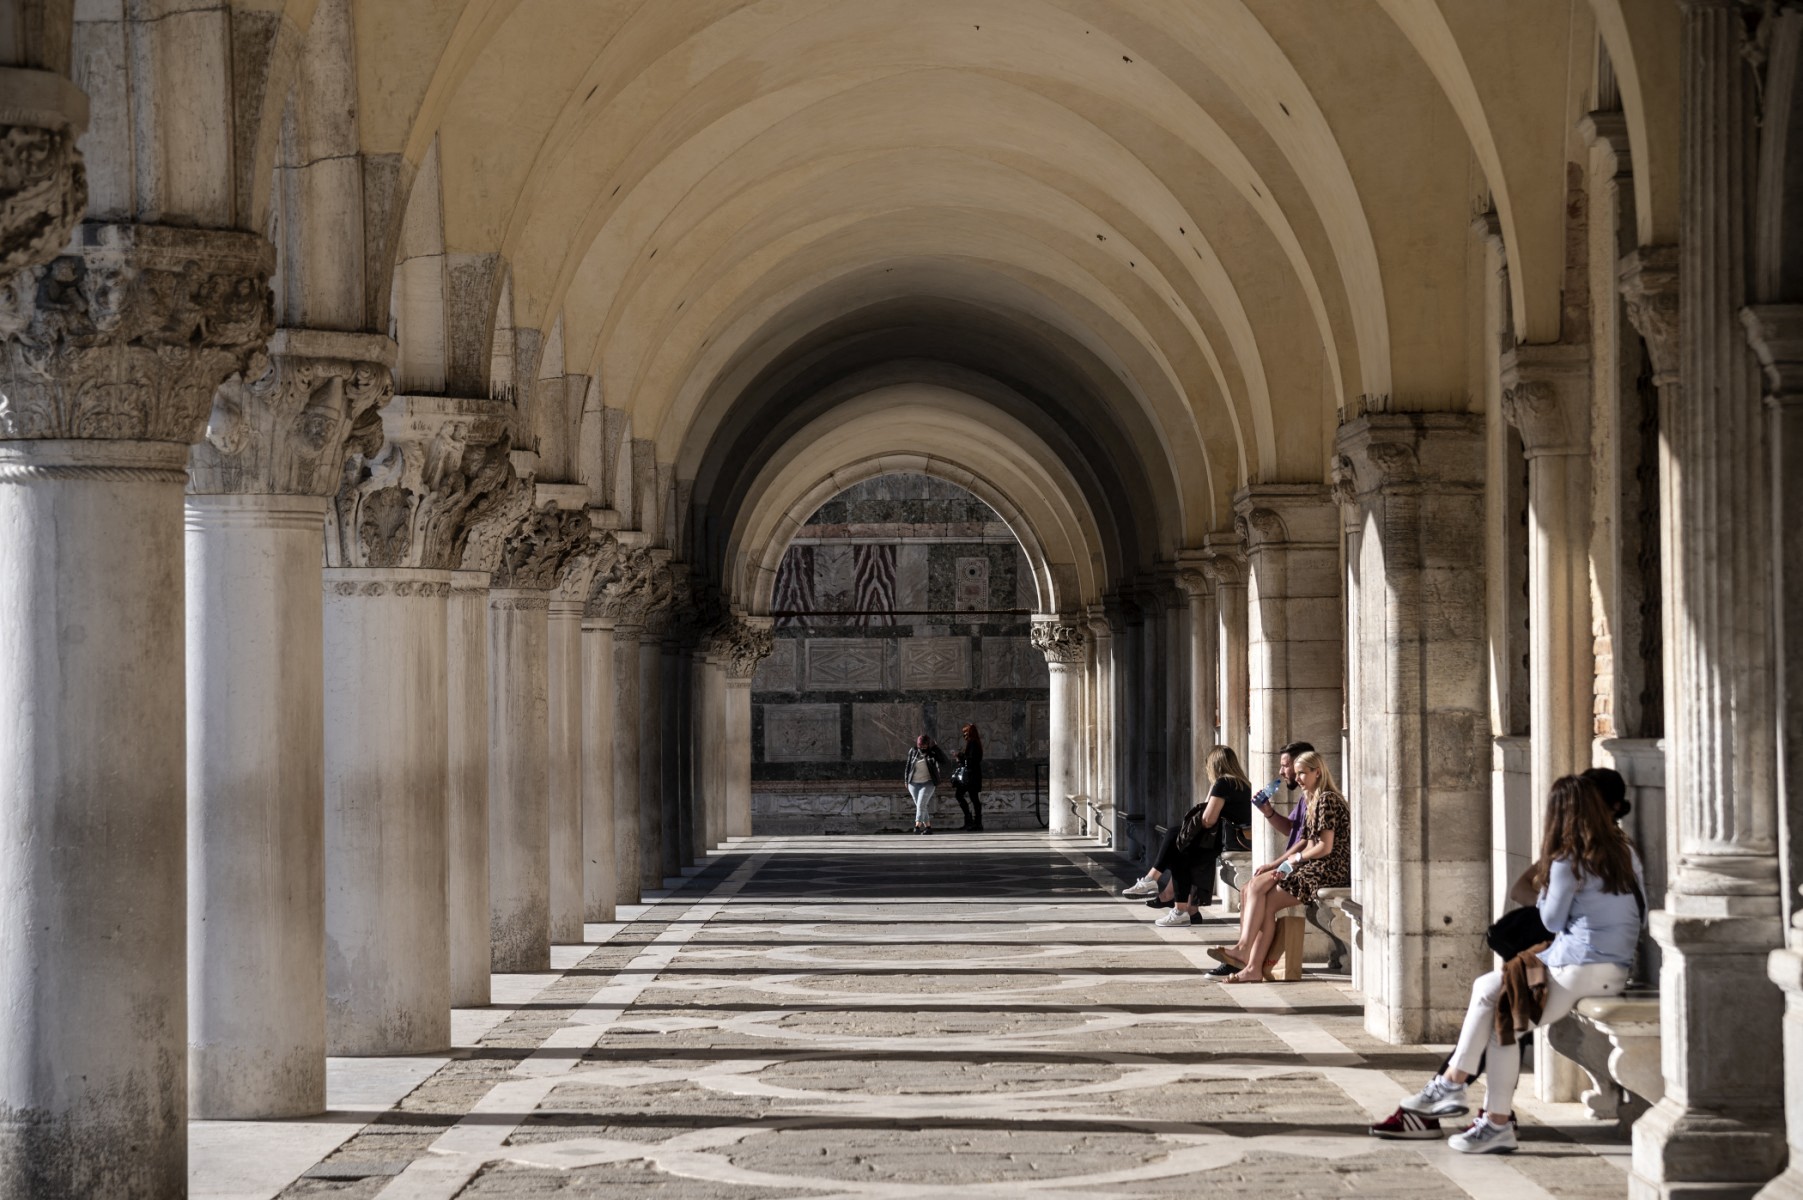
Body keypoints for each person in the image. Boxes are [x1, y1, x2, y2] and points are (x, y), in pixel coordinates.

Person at [1368, 765, 1634, 1139]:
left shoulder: (1568, 860)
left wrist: (1549, 893)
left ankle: (1476, 1105)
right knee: (1490, 996)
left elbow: (1552, 920)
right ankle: (1468, 1098)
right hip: (1608, 966)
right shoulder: (1624, 853)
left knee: (1503, 1021)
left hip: (1576, 966)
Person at [1206, 749, 1350, 983]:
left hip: (1327, 870)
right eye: (1297, 773)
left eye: (1303, 773)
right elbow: (1307, 840)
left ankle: (1247, 956)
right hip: (1313, 866)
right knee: (1256, 890)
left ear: (1318, 772)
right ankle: (1249, 962)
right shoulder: (1312, 799)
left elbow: (1324, 847)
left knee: (1263, 897)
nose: (1298, 778)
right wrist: (1282, 864)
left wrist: (1294, 861)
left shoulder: (1327, 800)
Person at [1199, 740, 1314, 976]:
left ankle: (1246, 957)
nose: (1281, 772)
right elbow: (1292, 830)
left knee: (1259, 895)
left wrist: (1276, 864)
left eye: (1286, 766)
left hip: (1308, 865)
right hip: (1297, 862)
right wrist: (1268, 811)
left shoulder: (1319, 797)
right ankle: (1244, 958)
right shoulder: (1305, 797)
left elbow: (1308, 841)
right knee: (1248, 889)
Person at [1149, 746, 1253, 928]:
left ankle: (1170, 897)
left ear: (1214, 765)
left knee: (1178, 845)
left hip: (1227, 840)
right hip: (1239, 839)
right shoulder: (1243, 784)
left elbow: (1207, 819)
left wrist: (1214, 786)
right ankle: (1187, 907)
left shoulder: (1224, 783)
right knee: (1179, 840)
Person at [904, 734, 950, 834]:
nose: (923, 748)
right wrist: (906, 781)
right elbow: (908, 766)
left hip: (928, 783)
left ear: (928, 745)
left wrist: (937, 748)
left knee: (921, 804)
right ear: (918, 745)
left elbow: (944, 761)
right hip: (913, 783)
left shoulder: (932, 752)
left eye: (925, 746)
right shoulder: (913, 751)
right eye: (921, 746)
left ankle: (917, 826)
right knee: (921, 805)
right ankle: (928, 828)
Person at [953, 724, 984, 831]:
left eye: (965, 732)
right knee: (973, 798)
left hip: (971, 776)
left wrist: (960, 755)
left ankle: (973, 821)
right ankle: (974, 822)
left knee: (964, 796)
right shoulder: (975, 743)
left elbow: (971, 760)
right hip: (973, 775)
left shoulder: (972, 743)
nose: (964, 735)